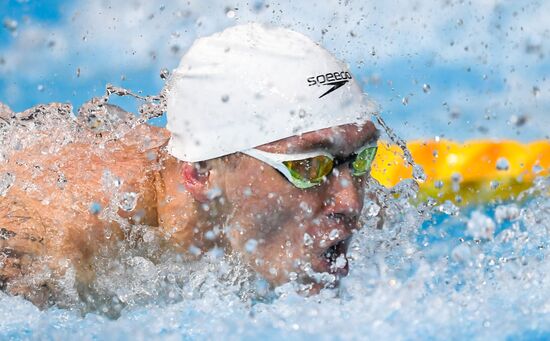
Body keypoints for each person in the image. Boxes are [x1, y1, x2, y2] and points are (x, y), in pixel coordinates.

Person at [0, 23, 379, 306]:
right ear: (200, 173)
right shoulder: (61, 238)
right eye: (307, 166)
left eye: (361, 158)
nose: (352, 203)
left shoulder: (348, 205)